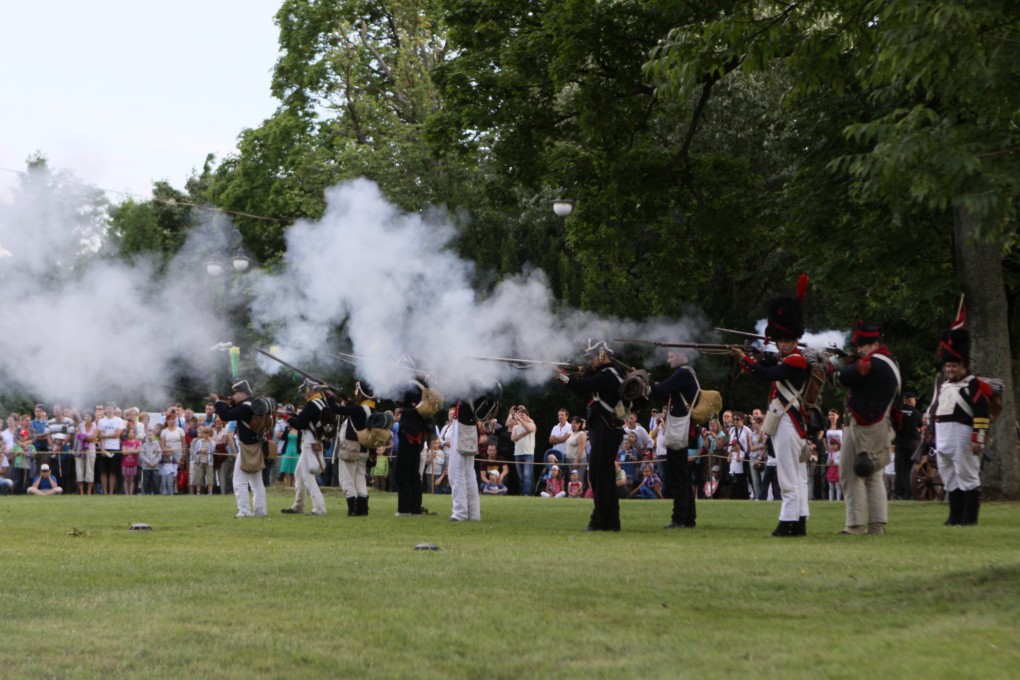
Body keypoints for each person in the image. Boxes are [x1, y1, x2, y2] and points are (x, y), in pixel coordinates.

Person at [732, 278, 811, 536]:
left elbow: (767, 374)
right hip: (789, 422)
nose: (782, 344)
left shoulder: (796, 361)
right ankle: (799, 521)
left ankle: (787, 522)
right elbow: (766, 368)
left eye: (786, 339)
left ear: (795, 339)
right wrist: (753, 360)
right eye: (779, 340)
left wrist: (746, 360)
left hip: (789, 422)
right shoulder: (787, 358)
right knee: (797, 475)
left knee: (788, 475)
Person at [829, 323, 900, 535]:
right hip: (880, 423)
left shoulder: (872, 364)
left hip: (863, 425)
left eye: (864, 346)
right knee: (873, 475)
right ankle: (877, 525)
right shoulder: (889, 362)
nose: (860, 350)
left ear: (875, 344)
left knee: (850, 473)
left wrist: (831, 364)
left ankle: (855, 525)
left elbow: (841, 379)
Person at [555, 340, 626, 532]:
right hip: (606, 430)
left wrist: (559, 374)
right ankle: (612, 522)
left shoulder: (607, 375)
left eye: (593, 357)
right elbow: (588, 382)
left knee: (598, 476)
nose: (590, 360)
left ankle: (599, 521)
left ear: (602, 355)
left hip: (605, 430)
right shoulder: (610, 373)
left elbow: (579, 385)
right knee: (605, 476)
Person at [931, 327, 990, 526]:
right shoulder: (942, 384)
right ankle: (954, 516)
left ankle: (969, 518)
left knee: (967, 476)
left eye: (954, 366)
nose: (950, 370)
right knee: (949, 477)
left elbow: (981, 413)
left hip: (962, 434)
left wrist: (977, 438)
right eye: (947, 366)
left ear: (963, 366)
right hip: (943, 435)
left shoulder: (974, 384)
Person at [212, 380, 268, 517]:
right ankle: (260, 511)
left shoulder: (244, 407)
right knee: (256, 482)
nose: (233, 396)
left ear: (242, 393)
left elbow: (225, 416)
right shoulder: (252, 404)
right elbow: (232, 412)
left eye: (235, 393)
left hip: (247, 448)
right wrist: (227, 403)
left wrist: (217, 401)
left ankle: (244, 511)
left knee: (239, 482)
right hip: (256, 446)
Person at [329, 380, 383, 517]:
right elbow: (355, 410)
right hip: (364, 450)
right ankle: (362, 510)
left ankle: (352, 510)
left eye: (357, 391)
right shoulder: (373, 409)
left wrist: (328, 394)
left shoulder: (357, 409)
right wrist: (348, 401)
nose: (355, 393)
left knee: (346, 480)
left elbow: (335, 409)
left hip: (350, 449)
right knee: (360, 480)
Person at [281, 379, 330, 516]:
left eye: (304, 391)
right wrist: (293, 416)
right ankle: (299, 505)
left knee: (308, 476)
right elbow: (305, 419)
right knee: (298, 474)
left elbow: (299, 425)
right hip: (315, 440)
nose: (303, 394)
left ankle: (319, 508)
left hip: (310, 442)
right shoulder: (322, 402)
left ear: (311, 390)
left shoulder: (311, 404)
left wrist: (285, 416)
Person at [393, 363, 436, 516]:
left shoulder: (410, 386)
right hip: (418, 434)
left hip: (409, 433)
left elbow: (396, 398)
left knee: (402, 472)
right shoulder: (423, 387)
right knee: (413, 474)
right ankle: (415, 508)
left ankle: (404, 509)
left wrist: (397, 381)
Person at [894, 391, 923, 499]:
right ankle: (909, 493)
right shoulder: (916, 413)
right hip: (912, 444)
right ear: (910, 400)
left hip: (900, 443)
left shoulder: (898, 411)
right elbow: (920, 427)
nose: (915, 402)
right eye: (914, 400)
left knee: (899, 470)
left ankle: (898, 493)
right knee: (911, 470)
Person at [97, 402, 125, 495]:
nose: (109, 410)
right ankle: (105, 492)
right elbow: (101, 436)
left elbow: (117, 434)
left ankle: (111, 492)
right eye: (107, 408)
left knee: (113, 472)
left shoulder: (119, 420)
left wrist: (105, 435)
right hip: (104, 448)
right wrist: (102, 449)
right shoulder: (101, 421)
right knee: (103, 471)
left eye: (111, 408)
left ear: (114, 409)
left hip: (115, 448)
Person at [508, 404, 536, 495]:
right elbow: (513, 438)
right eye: (519, 415)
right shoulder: (515, 427)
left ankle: (526, 493)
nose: (520, 416)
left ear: (527, 416)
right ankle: (523, 493)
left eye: (522, 415)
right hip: (517, 454)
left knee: (527, 475)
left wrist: (520, 420)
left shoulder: (532, 424)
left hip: (528, 453)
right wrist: (524, 433)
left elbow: (529, 429)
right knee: (520, 476)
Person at [727, 412, 753, 500]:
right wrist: (730, 453)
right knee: (733, 475)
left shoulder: (747, 430)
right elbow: (730, 443)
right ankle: (734, 496)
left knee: (743, 477)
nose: (735, 421)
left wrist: (747, 454)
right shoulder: (732, 430)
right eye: (734, 419)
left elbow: (750, 444)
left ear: (742, 420)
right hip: (733, 455)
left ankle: (744, 495)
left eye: (737, 419)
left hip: (743, 455)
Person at [189, 426, 216, 495]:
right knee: (199, 476)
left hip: (209, 462)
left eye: (207, 433)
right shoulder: (199, 442)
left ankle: (210, 492)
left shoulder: (212, 442)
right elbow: (195, 451)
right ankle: (198, 492)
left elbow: (213, 450)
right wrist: (200, 450)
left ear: (210, 434)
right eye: (204, 433)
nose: (205, 435)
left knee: (210, 477)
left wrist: (210, 441)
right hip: (200, 461)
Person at [121, 427, 141, 496]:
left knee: (132, 479)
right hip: (125, 463)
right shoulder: (125, 442)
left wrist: (128, 451)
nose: (130, 434)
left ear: (134, 434)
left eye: (132, 432)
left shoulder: (137, 442)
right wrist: (133, 451)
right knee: (126, 479)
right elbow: (124, 452)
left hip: (134, 464)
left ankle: (131, 494)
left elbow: (138, 451)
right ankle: (126, 494)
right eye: (129, 432)